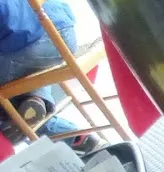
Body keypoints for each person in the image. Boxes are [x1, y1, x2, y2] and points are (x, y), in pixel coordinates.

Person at [0, 0, 100, 152]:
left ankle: (34, 109)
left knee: (7, 98)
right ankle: (76, 137)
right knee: (16, 96)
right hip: (59, 25)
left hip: (31, 43)